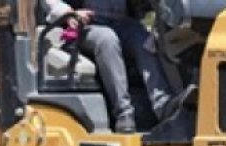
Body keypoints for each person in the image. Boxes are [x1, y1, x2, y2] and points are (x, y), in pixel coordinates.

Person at [44, 0, 173, 134]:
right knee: (107, 40)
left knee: (145, 40)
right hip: (86, 24)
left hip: (121, 22)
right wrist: (68, 13)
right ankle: (124, 113)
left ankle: (164, 106)